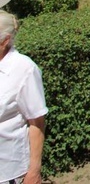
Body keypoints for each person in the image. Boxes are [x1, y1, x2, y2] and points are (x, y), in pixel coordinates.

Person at [0, 11, 46, 184]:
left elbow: (37, 122)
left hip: (7, 171)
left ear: (5, 41)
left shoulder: (24, 69)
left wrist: (34, 171)